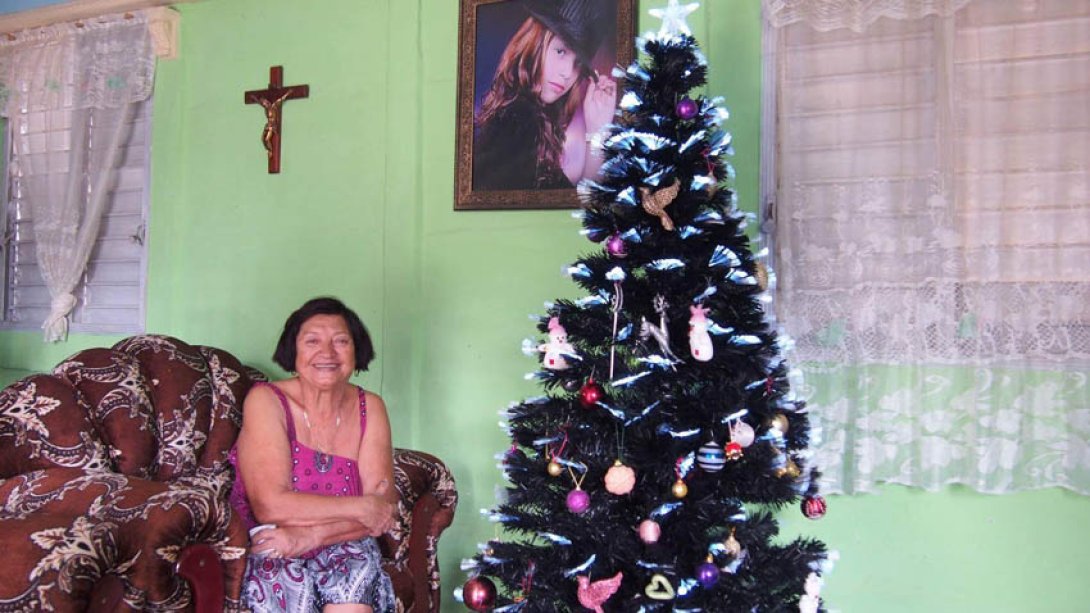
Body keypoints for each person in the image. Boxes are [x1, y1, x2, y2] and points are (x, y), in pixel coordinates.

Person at [229, 297, 397, 613]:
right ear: (293, 351)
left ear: (356, 350)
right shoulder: (266, 401)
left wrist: (311, 535)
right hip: (276, 542)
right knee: (282, 579)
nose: (327, 353)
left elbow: (383, 511)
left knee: (356, 574)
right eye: (312, 341)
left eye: (341, 341)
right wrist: (361, 507)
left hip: (344, 541)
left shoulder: (370, 407)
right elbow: (271, 505)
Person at [472, 0, 618, 191]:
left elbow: (585, 203)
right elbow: (580, 207)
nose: (567, 73)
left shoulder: (525, 115)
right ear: (535, 43)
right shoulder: (520, 120)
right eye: (561, 51)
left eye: (578, 65)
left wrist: (597, 128)